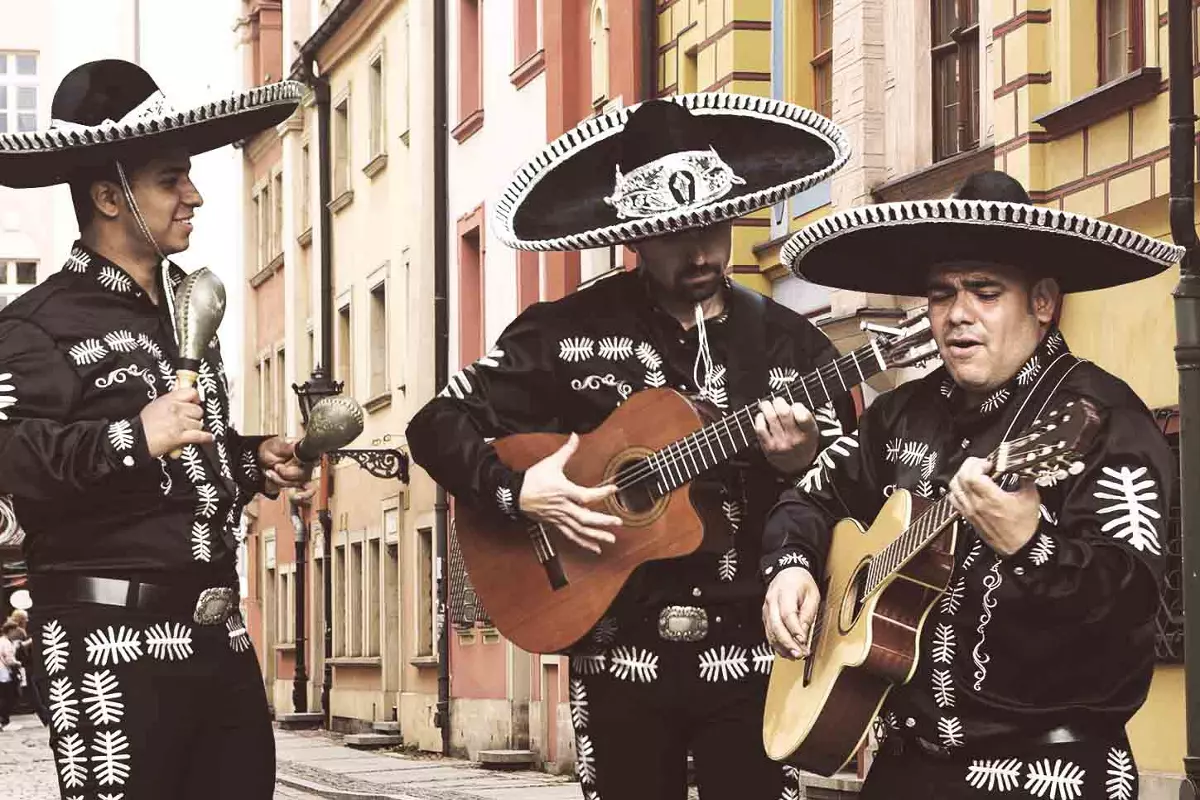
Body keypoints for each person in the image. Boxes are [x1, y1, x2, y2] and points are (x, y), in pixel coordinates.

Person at [407, 95, 858, 799]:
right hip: (617, 657)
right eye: (676, 234)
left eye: (713, 226)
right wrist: (518, 490)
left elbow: (855, 488)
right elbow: (435, 423)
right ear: (634, 237)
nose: (704, 252)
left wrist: (801, 464)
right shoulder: (565, 332)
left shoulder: (791, 345)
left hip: (756, 652)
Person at [761, 171, 1181, 798]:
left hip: (1051, 773)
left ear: (1042, 301)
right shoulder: (901, 414)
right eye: (941, 294)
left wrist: (1034, 544)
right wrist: (791, 568)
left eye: (985, 292)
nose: (957, 315)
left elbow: (1134, 599)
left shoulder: (1103, 417)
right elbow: (811, 497)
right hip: (906, 767)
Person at [0, 60, 308, 799]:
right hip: (107, 643)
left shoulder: (185, 308)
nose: (195, 194)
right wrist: (132, 436)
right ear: (110, 197)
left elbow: (184, 450)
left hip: (220, 637)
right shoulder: (34, 324)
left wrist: (247, 454)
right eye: (172, 179)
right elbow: (14, 465)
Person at [0, 621, 21, 729]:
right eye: (15, 631)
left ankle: (4, 720)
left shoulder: (3, 641)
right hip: (4, 673)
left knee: (4, 696)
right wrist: (19, 663)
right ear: (10, 631)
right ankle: (4, 720)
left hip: (3, 672)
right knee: (8, 697)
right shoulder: (6, 643)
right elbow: (9, 660)